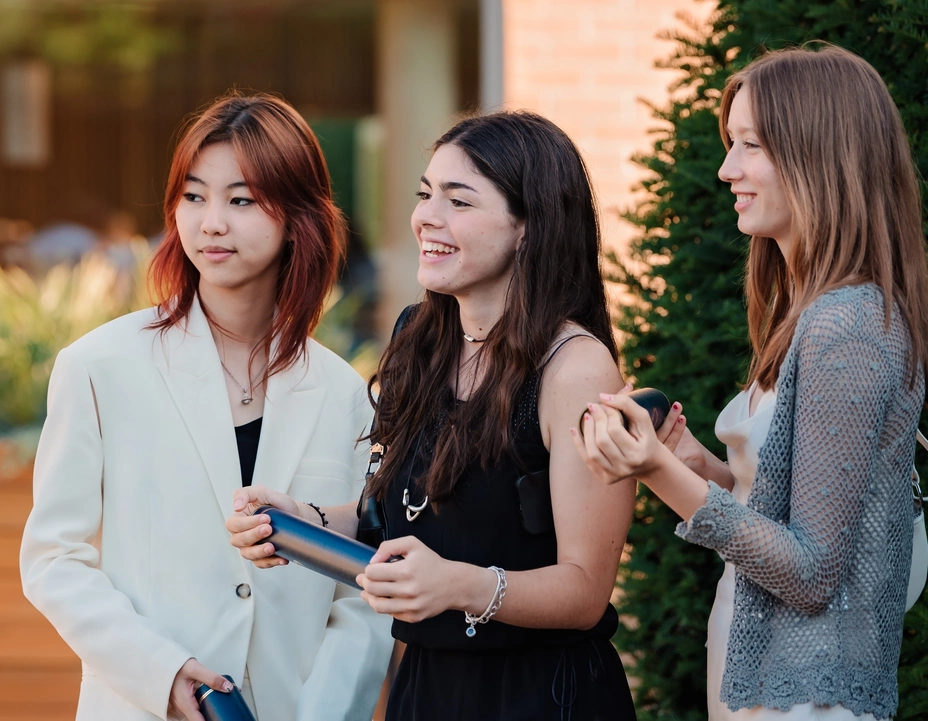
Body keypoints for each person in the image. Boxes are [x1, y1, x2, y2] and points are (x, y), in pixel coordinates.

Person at [229, 111, 643, 720]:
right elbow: (396, 518)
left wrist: (462, 585)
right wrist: (305, 522)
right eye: (425, 194)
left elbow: (585, 589)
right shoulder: (417, 337)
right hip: (424, 689)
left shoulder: (576, 370)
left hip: (543, 696)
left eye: (459, 201)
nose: (427, 217)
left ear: (530, 227)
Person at [574, 45, 928, 721]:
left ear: (819, 155)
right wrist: (700, 467)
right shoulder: (811, 314)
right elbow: (788, 517)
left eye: (749, 146)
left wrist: (656, 472)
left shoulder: (847, 327)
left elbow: (812, 571)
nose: (725, 169)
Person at [20, 93, 393, 721]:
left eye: (240, 200)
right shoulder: (99, 367)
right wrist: (158, 673)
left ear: (298, 216)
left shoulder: (343, 395)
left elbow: (361, 592)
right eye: (193, 197)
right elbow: (54, 558)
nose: (211, 222)